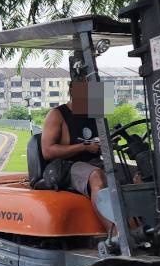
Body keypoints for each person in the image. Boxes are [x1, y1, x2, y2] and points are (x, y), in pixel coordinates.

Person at [40, 79, 112, 233]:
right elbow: (47, 151)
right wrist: (84, 147)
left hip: (94, 161)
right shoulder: (57, 114)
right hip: (68, 166)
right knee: (96, 176)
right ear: (73, 91)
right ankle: (116, 234)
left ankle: (142, 227)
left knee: (133, 173)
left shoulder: (95, 114)